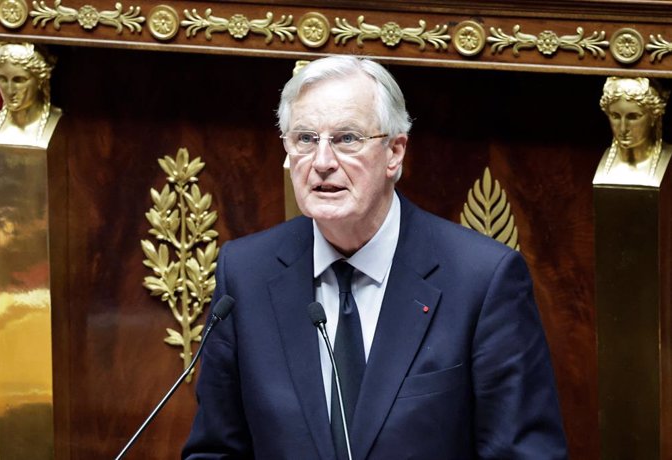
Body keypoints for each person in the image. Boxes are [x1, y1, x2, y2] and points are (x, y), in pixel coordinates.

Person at [183, 55, 567, 459]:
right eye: (305, 139)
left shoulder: (482, 280)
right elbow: (215, 450)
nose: (323, 163)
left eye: (347, 138)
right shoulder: (245, 273)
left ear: (394, 152)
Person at [595, 76, 671, 186]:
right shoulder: (599, 163)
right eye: (615, 116)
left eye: (633, 117)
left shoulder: (668, 158)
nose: (623, 128)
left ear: (654, 116)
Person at [0, 41, 61, 146]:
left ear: (40, 80)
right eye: (3, 79)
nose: (10, 90)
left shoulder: (56, 121)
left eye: (19, 80)